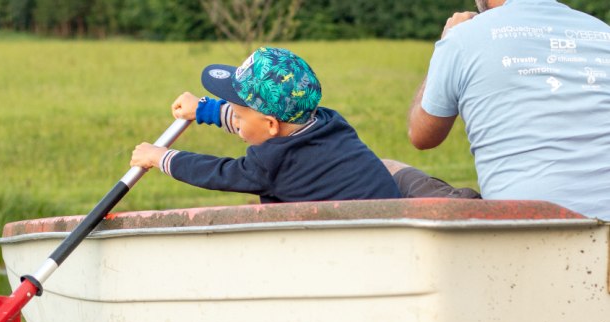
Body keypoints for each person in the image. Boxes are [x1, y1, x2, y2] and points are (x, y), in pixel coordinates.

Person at [408, 0, 610, 219]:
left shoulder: (463, 37)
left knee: (389, 170)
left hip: (519, 231)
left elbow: (421, 135)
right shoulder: (603, 32)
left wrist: (445, 43)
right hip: (604, 232)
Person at [130, 47, 401, 204]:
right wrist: (204, 109)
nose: (235, 119)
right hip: (386, 212)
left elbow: (218, 172)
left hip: (361, 242)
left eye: (237, 113)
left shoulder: (273, 164)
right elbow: (255, 122)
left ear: (271, 125)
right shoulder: (328, 122)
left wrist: (160, 156)